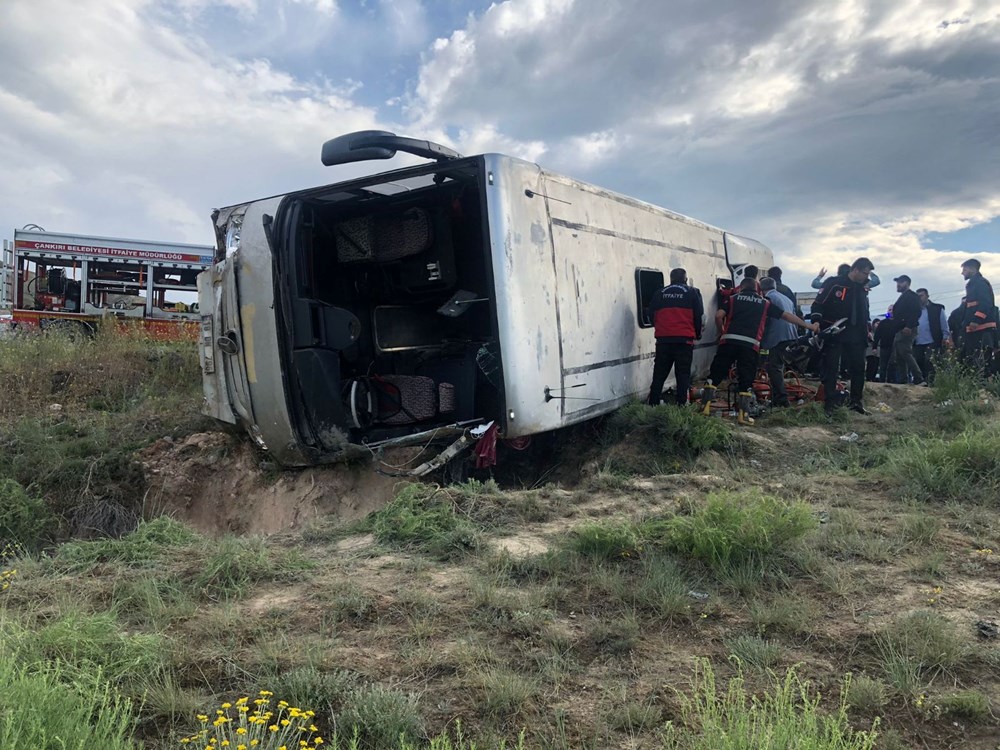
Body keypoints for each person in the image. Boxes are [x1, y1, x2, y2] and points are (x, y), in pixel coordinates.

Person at [701, 277, 817, 425]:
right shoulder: (765, 303)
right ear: (757, 289)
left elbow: (718, 316)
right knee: (746, 379)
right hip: (750, 345)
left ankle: (704, 409)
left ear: (741, 288)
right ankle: (743, 416)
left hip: (728, 342)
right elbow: (786, 316)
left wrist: (721, 331)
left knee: (715, 374)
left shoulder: (732, 299)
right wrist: (808, 326)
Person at [811, 257, 874, 416]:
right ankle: (830, 404)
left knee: (858, 368)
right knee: (832, 368)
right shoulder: (834, 283)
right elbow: (818, 303)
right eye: (865, 273)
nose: (866, 277)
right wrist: (816, 321)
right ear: (855, 270)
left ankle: (856, 402)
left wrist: (867, 330)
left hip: (857, 333)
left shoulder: (863, 287)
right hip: (836, 331)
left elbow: (864, 310)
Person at [646, 267, 704, 405]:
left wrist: (660, 328)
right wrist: (697, 334)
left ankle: (653, 403)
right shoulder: (692, 292)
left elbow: (650, 314)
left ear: (671, 279)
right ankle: (681, 404)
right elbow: (698, 316)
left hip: (663, 340)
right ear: (685, 279)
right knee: (682, 373)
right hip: (684, 340)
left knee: (659, 374)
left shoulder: (659, 293)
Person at [759, 277, 798, 407]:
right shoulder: (786, 298)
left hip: (776, 337)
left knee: (774, 368)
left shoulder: (768, 299)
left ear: (761, 288)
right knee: (778, 367)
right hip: (790, 335)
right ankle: (778, 396)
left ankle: (781, 399)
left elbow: (766, 320)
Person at [960, 258, 997, 366]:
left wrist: (976, 320)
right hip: (976, 329)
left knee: (981, 361)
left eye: (965, 270)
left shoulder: (980, 283)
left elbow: (986, 304)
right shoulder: (973, 284)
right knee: (972, 360)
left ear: (972, 269)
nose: (962, 273)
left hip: (982, 329)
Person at [890, 275, 924, 385]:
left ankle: (918, 378)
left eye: (901, 282)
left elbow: (916, 312)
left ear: (907, 283)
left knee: (905, 352)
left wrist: (909, 326)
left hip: (907, 328)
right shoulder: (903, 297)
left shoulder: (912, 296)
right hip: (900, 329)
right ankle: (903, 379)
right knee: (899, 356)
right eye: (897, 282)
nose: (898, 285)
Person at [914, 288, 950, 384]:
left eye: (921, 296)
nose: (919, 298)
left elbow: (944, 325)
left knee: (929, 361)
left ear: (927, 296)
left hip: (932, 341)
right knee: (918, 361)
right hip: (917, 342)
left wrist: (945, 337)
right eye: (917, 297)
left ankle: (930, 383)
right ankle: (921, 382)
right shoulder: (914, 310)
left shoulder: (937, 309)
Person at [874, 306, 897, 383]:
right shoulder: (883, 323)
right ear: (887, 311)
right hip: (884, 346)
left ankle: (892, 381)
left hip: (895, 348)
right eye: (890, 310)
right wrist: (874, 347)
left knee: (893, 365)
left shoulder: (898, 322)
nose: (891, 311)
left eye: (893, 310)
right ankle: (882, 381)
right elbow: (877, 335)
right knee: (883, 366)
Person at [812, 265, 881, 290]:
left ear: (838, 273)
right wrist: (869, 272)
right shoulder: (858, 283)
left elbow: (815, 284)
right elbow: (876, 281)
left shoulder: (832, 282)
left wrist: (820, 276)